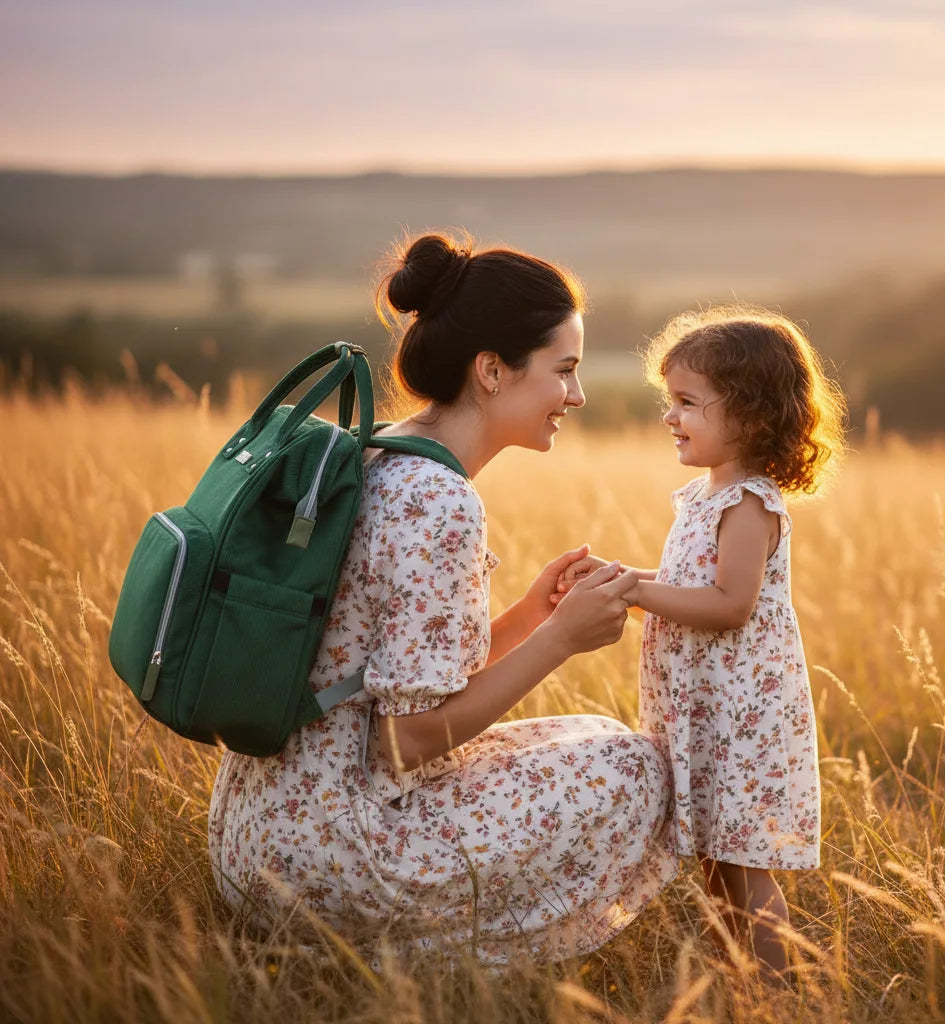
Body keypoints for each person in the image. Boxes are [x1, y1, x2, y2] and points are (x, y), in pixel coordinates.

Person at [207, 234, 678, 966]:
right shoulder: (440, 501)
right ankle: (418, 966)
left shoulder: (377, 450)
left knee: (588, 735)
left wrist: (533, 616)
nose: (577, 395)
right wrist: (562, 641)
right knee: (634, 770)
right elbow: (408, 740)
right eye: (563, 370)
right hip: (334, 855)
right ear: (491, 371)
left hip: (253, 836)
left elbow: (390, 681)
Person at [557, 308, 845, 974]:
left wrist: (633, 593)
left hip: (740, 717)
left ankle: (774, 993)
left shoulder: (747, 503)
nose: (670, 416)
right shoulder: (704, 494)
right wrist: (621, 578)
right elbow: (688, 585)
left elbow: (728, 605)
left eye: (687, 403)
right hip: (705, 710)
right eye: (671, 401)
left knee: (743, 865)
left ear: (749, 414)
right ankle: (736, 981)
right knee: (716, 859)